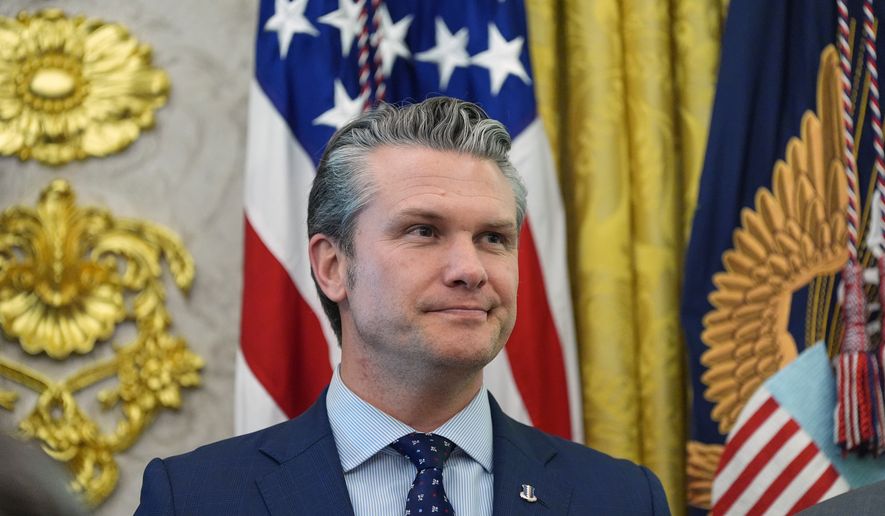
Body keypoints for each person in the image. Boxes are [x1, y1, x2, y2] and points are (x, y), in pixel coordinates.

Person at [135, 97, 670, 515]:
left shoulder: (622, 499)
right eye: (423, 231)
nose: (470, 269)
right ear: (332, 267)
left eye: (493, 238)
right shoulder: (194, 498)